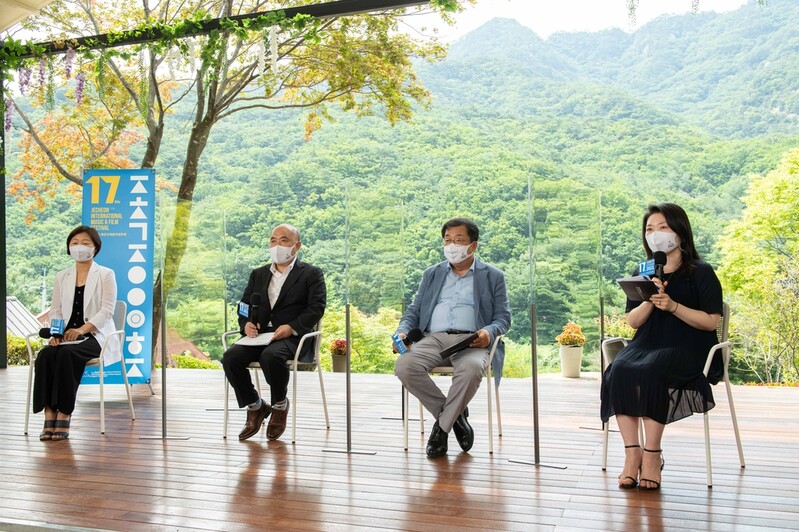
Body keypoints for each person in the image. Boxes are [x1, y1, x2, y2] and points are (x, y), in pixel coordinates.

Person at [601, 203, 724, 490]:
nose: (655, 234)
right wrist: (650, 298)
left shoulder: (701, 271)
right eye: (649, 229)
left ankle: (652, 455)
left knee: (651, 371)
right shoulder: (642, 271)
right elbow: (632, 321)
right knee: (618, 368)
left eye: (663, 227)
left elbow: (710, 322)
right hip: (647, 342)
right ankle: (632, 453)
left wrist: (673, 306)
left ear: (680, 232)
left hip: (689, 344)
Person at [394, 218, 511, 458]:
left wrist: (488, 332)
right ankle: (455, 416)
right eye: (447, 240)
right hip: (433, 339)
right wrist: (403, 331)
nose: (451, 246)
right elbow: (414, 310)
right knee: (404, 366)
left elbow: (503, 318)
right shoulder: (432, 273)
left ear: (473, 245)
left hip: (471, 342)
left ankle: (441, 430)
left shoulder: (493, 276)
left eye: (458, 240)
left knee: (471, 370)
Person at [222, 224, 326, 441]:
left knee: (271, 356)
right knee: (230, 358)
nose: (277, 245)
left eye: (284, 240)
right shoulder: (258, 274)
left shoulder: (311, 273)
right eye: (273, 240)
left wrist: (292, 327)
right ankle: (255, 406)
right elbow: (244, 305)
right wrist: (245, 324)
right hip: (259, 335)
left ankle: (279, 405)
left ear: (297, 246)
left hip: (293, 336)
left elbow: (316, 308)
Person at [33, 225, 119, 441]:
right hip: (66, 335)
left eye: (85, 243)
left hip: (94, 336)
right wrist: (56, 334)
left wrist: (81, 330)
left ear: (95, 248)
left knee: (66, 355)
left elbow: (107, 311)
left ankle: (64, 413)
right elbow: (55, 310)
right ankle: (49, 413)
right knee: (46, 355)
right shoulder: (62, 276)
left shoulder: (105, 274)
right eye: (75, 243)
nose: (79, 247)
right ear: (69, 247)